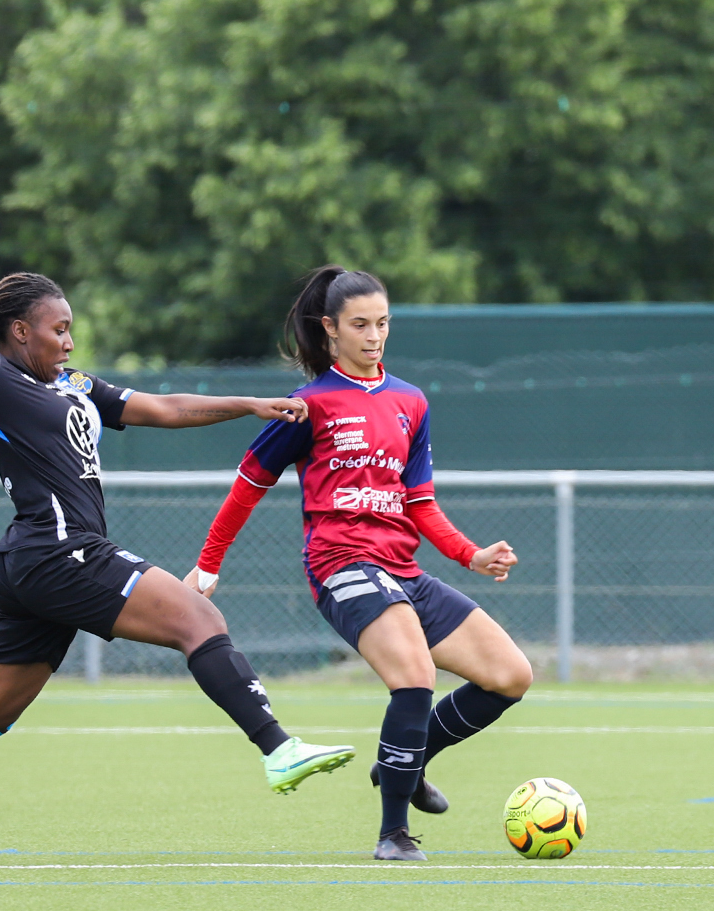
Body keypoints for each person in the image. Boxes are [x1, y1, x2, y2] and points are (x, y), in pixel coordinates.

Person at [0, 272, 354, 861]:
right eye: (58, 330)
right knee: (198, 619)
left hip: (37, 563)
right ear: (20, 331)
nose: (68, 342)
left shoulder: (73, 383)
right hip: (56, 551)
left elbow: (161, 407)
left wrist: (248, 405)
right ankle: (278, 748)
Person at [185, 266, 532, 862]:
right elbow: (248, 484)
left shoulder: (410, 401)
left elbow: (420, 502)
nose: (374, 336)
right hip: (341, 564)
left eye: (383, 323)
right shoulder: (307, 406)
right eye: (360, 325)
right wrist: (208, 564)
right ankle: (393, 834)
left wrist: (470, 554)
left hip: (403, 571)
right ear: (330, 328)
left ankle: (406, 761)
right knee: (414, 677)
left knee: (510, 675)